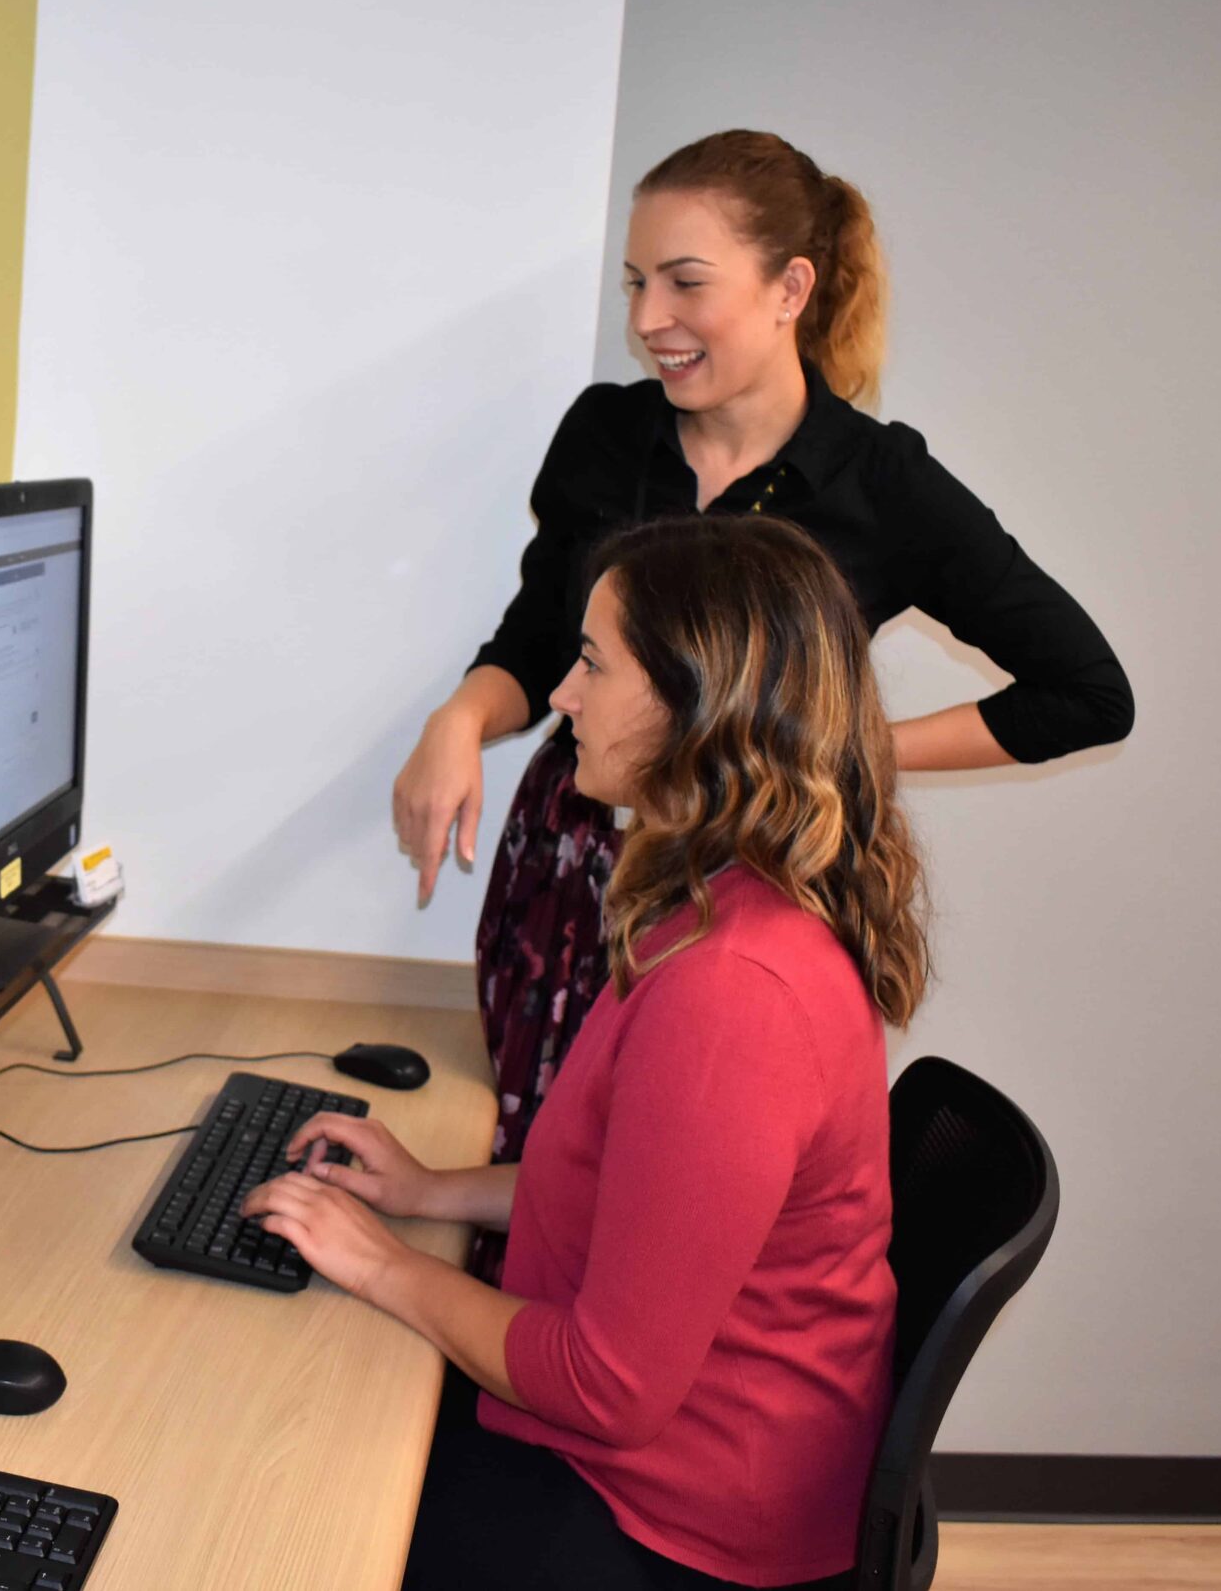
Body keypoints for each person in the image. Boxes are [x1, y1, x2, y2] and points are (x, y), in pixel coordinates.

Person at [390, 130, 1130, 1239]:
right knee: (539, 1178)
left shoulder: (880, 484)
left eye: (685, 283)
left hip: (736, 888)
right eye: (636, 283)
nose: (646, 320)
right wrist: (459, 718)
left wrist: (839, 747)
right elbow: (538, 642)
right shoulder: (604, 435)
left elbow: (1083, 692)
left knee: (660, 1210)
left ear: (791, 288)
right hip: (569, 871)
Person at [255, 516, 919, 1590]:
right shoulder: (715, 907)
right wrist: (430, 1191)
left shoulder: (731, 996)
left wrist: (381, 1262)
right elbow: (638, 1191)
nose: (561, 694)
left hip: (676, 1520)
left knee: (291, 1511)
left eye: (593, 664)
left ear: (692, 707)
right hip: (665, 1455)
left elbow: (609, 1386)